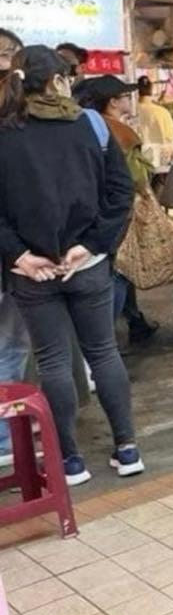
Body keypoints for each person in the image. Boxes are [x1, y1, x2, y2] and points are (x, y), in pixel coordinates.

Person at [0, 46, 144, 485]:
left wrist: (20, 255)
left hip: (32, 273)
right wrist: (91, 245)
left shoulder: (5, 131)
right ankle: (127, 449)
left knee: (53, 362)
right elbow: (120, 192)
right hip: (89, 264)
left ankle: (70, 461)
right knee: (103, 352)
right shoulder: (93, 125)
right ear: (58, 80)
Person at [87, 76, 159, 345]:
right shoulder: (121, 133)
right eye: (126, 96)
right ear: (113, 102)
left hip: (98, 210)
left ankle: (134, 321)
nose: (131, 99)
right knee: (120, 271)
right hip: (121, 211)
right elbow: (136, 176)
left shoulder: (88, 126)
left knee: (119, 269)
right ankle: (104, 337)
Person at [0, 28, 32, 467]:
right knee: (11, 345)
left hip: (18, 256)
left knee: (12, 345)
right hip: (19, 254)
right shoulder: (22, 124)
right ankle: (7, 437)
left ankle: (8, 436)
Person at [135, 75, 173, 149]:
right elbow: (172, 137)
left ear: (137, 91)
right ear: (152, 90)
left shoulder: (132, 112)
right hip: (159, 154)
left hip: (139, 154)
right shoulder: (162, 112)